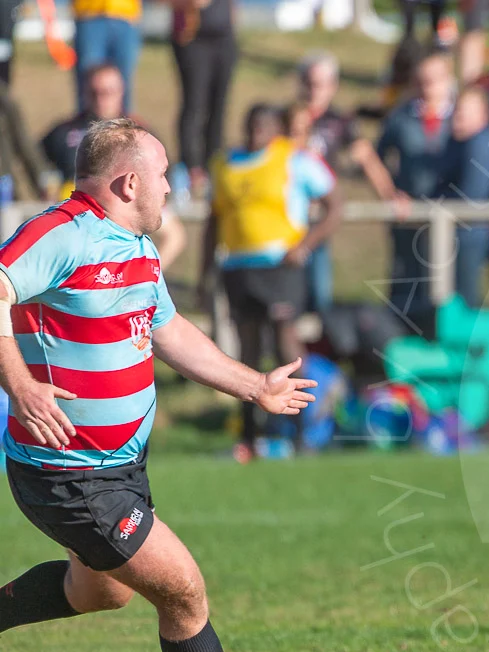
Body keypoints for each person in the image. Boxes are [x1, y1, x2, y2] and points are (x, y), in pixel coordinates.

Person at [0, 117, 318, 652]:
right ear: (127, 182)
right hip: (69, 471)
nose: (172, 188)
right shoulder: (61, 234)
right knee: (183, 588)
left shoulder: (138, 246)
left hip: (121, 466)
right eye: (164, 174)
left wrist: (254, 386)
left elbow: (169, 333)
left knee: (100, 592)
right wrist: (22, 386)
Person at [202, 105, 342, 461]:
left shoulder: (293, 159)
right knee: (246, 353)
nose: (256, 133)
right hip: (238, 266)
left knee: (285, 343)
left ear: (277, 130)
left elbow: (334, 204)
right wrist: (207, 271)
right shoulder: (225, 164)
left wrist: (306, 246)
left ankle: (301, 434)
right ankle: (250, 437)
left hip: (280, 266)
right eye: (251, 126)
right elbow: (213, 220)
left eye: (263, 126)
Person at [40, 64, 185, 270]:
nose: (101, 99)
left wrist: (144, 275)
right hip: (74, 213)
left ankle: (140, 276)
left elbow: (162, 172)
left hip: (123, 208)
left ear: (121, 91)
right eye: (95, 92)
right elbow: (35, 162)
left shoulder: (140, 133)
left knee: (173, 233)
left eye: (108, 92)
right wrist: (45, 185)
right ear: (84, 92)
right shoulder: (65, 131)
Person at [295, 53, 403, 312]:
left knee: (319, 291)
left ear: (333, 86)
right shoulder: (287, 117)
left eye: (321, 84)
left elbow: (366, 157)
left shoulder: (339, 121)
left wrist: (390, 195)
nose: (314, 91)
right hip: (287, 214)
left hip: (320, 215)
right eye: (309, 83)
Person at [376, 49, 457, 335]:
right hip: (408, 221)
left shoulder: (460, 117)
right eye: (422, 81)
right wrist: (391, 192)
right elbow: (376, 156)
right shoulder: (402, 117)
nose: (427, 88)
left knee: (446, 292)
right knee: (405, 286)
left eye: (434, 80)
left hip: (452, 223)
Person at [170, 0, 237, 197]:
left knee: (219, 107)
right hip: (193, 37)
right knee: (194, 104)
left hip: (224, 36)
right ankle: (190, 168)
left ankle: (213, 165)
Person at [441, 86, 489, 309]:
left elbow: (472, 195)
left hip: (468, 235)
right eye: (456, 111)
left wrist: (435, 201)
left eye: (463, 113)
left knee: (464, 301)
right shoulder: (463, 142)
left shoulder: (479, 144)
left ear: (483, 114)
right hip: (464, 233)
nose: (457, 118)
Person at [72, 0, 143, 113]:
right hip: (89, 13)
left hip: (125, 14)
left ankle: (123, 123)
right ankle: (86, 123)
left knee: (122, 83)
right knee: (89, 82)